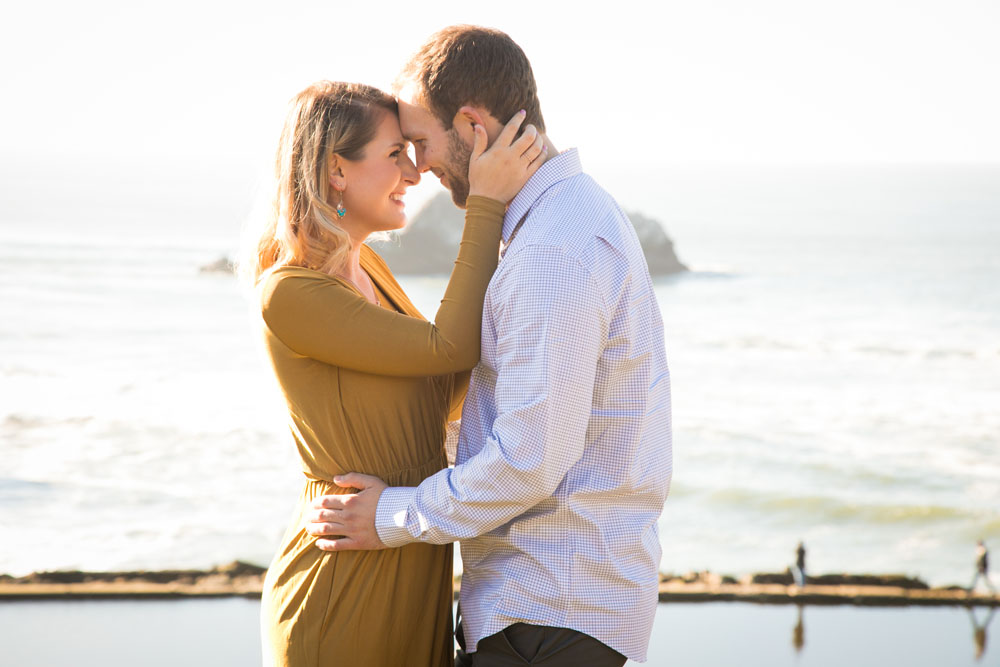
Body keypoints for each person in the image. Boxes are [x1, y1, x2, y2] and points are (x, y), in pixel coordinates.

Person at [306, 26, 673, 666]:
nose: (417, 168)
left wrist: (391, 515)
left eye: (420, 143)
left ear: (474, 127)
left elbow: (529, 459)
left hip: (546, 619)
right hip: (553, 617)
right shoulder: (568, 220)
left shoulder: (552, 251)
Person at [244, 80, 545, 666]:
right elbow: (451, 347)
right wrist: (486, 202)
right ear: (337, 170)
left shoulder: (369, 268)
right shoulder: (291, 291)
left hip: (407, 547)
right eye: (393, 155)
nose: (413, 172)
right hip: (345, 583)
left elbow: (447, 387)